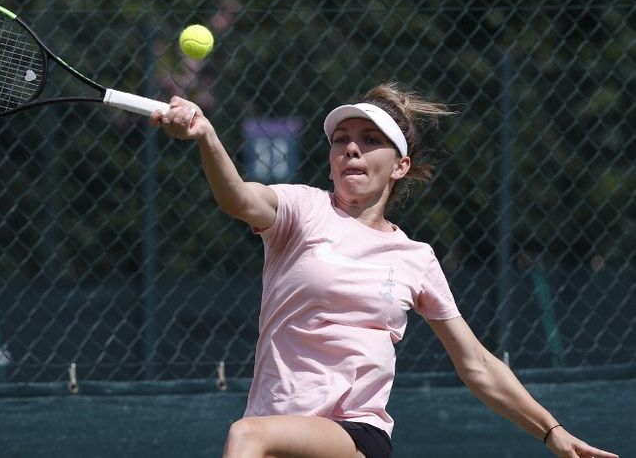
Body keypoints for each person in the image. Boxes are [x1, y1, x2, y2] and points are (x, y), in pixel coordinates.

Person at [150, 83, 619, 458]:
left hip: (353, 434)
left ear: (400, 166)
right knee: (255, 435)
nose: (352, 150)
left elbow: (476, 364)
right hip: (280, 430)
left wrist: (551, 432)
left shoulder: (415, 257)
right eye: (341, 141)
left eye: (370, 141)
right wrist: (207, 138)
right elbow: (238, 198)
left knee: (245, 437)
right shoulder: (301, 209)